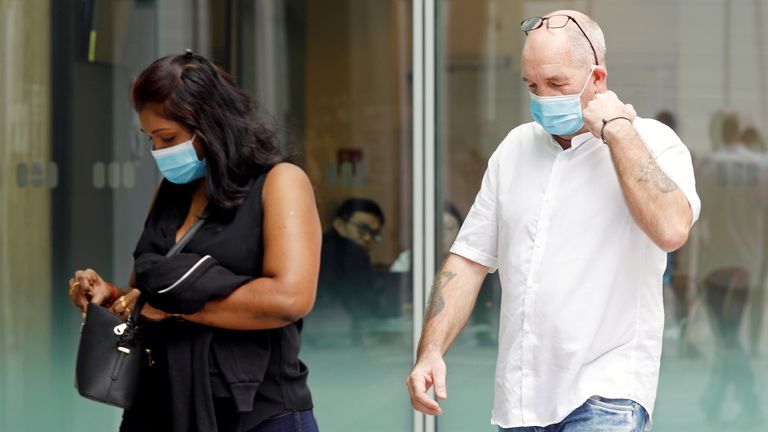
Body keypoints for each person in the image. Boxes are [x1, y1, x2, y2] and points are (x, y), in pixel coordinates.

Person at [407, 10, 700, 432]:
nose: (543, 98)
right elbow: (468, 260)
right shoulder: (514, 149)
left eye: (557, 84)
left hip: (608, 394)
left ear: (597, 77)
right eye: (532, 85)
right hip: (521, 400)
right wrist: (431, 349)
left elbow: (672, 229)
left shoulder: (651, 141)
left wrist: (617, 129)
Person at [67, 50, 322, 432]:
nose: (159, 152)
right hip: (158, 405)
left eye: (167, 137)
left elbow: (289, 299)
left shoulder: (280, 182)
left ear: (212, 125)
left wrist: (176, 309)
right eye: (151, 139)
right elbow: (148, 293)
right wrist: (111, 295)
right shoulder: (170, 191)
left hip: (258, 412)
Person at [310, 198, 388, 342]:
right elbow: (364, 304)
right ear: (339, 224)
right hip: (338, 336)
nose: (367, 237)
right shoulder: (349, 251)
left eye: (374, 233)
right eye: (362, 228)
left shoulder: (316, 246)